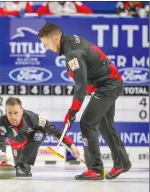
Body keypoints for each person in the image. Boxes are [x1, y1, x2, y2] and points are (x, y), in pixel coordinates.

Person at [37, 23, 131, 180]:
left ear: (56, 37)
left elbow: (80, 87)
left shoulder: (73, 54)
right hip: (110, 83)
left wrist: (72, 112)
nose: (46, 48)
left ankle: (95, 169)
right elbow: (85, 79)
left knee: (87, 124)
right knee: (105, 125)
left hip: (108, 86)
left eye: (46, 44)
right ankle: (121, 162)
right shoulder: (70, 42)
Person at [0, 97, 80, 177]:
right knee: (22, 172)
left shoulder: (33, 118)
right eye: (9, 113)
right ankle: (21, 166)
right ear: (6, 111)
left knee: (39, 134)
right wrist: (2, 155)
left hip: (30, 142)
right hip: (16, 145)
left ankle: (22, 165)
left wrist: (71, 145)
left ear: (22, 111)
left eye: (16, 113)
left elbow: (53, 130)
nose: (13, 117)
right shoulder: (2, 121)